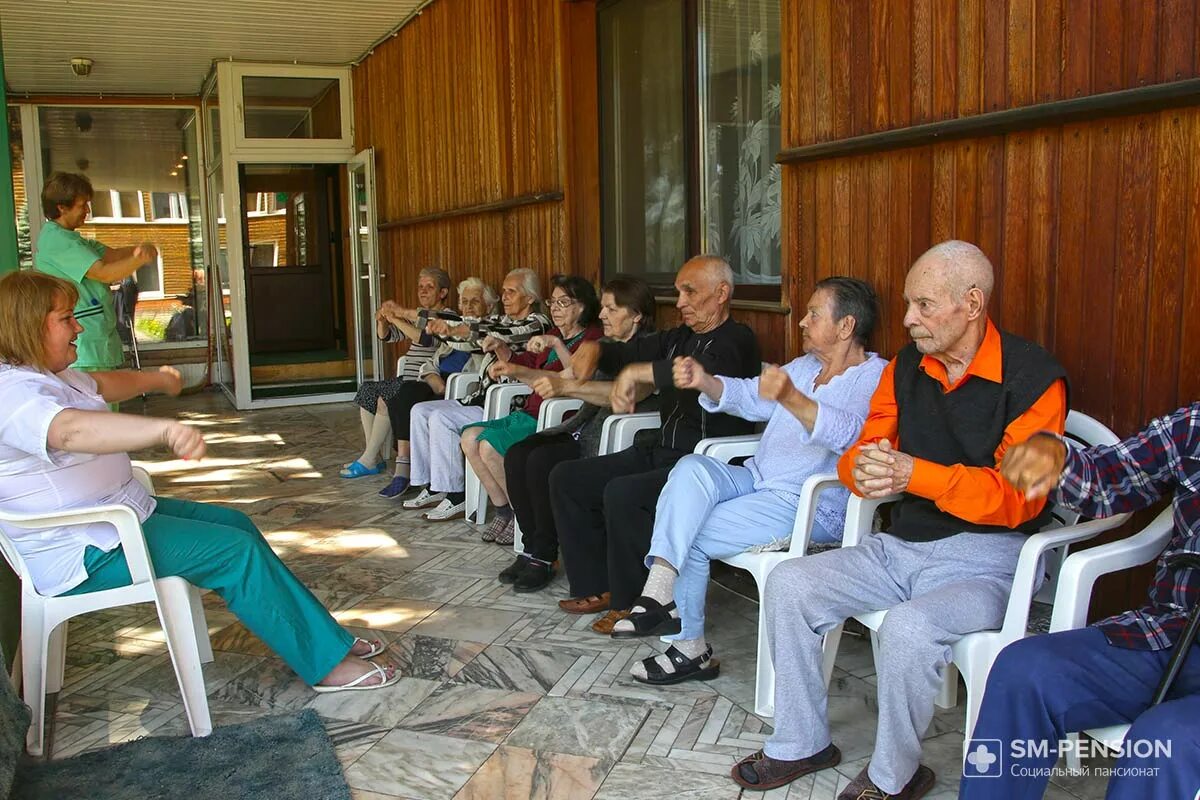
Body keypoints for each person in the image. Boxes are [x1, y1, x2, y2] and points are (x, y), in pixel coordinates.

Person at [729, 240, 1069, 799]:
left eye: (924, 305)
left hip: (989, 561)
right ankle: (801, 741)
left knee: (911, 628)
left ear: (973, 302)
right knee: (791, 584)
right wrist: (865, 468)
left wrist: (915, 476)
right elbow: (865, 445)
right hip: (902, 546)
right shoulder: (907, 367)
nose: (908, 319)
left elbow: (1021, 495)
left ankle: (895, 777)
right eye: (909, 304)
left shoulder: (1037, 380)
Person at [0, 271, 397, 693]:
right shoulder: (12, 392)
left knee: (237, 526)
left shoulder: (50, 376)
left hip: (116, 520)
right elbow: (68, 431)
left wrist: (157, 378)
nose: (79, 326)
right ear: (29, 325)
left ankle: (324, 640)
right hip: (88, 550)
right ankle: (325, 666)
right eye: (66, 319)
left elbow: (104, 382)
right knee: (235, 552)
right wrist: (164, 431)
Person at [612, 278, 887, 686]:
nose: (802, 323)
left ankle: (688, 647)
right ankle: (660, 590)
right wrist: (705, 380)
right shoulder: (806, 366)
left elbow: (851, 435)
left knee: (693, 531)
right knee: (691, 467)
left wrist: (792, 397)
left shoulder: (875, 377)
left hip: (806, 502)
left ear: (845, 326)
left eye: (814, 314)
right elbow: (750, 394)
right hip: (757, 479)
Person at [957, 406, 1200, 800]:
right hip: (1172, 632)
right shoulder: (1195, 426)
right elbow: (1113, 475)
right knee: (1025, 670)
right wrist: (1055, 458)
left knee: (1165, 741)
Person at [550, 255, 761, 634]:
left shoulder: (737, 339)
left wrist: (635, 373)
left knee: (623, 493)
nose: (679, 302)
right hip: (661, 447)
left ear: (721, 294)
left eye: (689, 292)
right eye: (678, 292)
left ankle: (636, 604)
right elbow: (629, 351)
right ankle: (598, 584)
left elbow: (693, 373)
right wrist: (596, 348)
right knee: (568, 477)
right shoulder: (678, 337)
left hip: (701, 463)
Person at [497, 275, 658, 592]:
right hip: (580, 429)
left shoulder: (650, 349)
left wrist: (569, 386)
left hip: (614, 439)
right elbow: (562, 376)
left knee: (541, 460)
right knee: (518, 453)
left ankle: (544, 556)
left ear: (636, 314)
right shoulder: (606, 346)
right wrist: (517, 370)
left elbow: (622, 394)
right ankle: (532, 547)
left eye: (611, 309)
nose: (602, 315)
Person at [460, 275, 603, 545]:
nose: (555, 308)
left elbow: (576, 377)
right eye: (553, 302)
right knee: (469, 439)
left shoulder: (592, 338)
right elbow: (525, 363)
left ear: (582, 307)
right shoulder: (555, 334)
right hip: (529, 411)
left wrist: (556, 345)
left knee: (489, 447)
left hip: (557, 417)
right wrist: (503, 350)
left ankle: (520, 514)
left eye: (564, 302)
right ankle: (503, 510)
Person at [402, 268, 550, 522]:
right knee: (421, 410)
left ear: (530, 297)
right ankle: (434, 485)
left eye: (511, 292)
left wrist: (456, 330)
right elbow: (470, 340)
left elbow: (498, 334)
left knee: (441, 418)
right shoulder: (503, 320)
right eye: (503, 291)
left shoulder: (537, 322)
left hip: (508, 403)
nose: (505, 297)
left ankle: (456, 494)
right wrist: (447, 332)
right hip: (482, 397)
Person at [376, 277, 496, 498]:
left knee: (407, 392)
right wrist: (432, 376)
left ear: (488, 306)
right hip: (435, 381)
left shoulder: (486, 329)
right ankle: (425, 482)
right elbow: (432, 359)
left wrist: (399, 313)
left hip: (460, 386)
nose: (468, 306)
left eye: (475, 302)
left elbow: (442, 335)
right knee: (399, 396)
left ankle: (411, 471)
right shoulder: (457, 323)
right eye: (465, 301)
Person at [33, 173, 159, 377]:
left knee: (107, 403)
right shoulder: (57, 241)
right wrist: (140, 259)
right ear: (61, 207)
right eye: (82, 205)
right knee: (98, 403)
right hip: (83, 345)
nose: (88, 211)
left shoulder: (74, 240)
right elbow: (104, 273)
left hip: (94, 339)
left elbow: (113, 255)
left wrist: (140, 248)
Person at [340, 267, 456, 479]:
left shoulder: (446, 317)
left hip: (422, 382)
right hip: (406, 378)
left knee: (387, 397)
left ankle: (368, 458)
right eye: (420, 287)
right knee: (367, 390)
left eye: (430, 287)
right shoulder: (417, 315)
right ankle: (372, 455)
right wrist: (382, 320)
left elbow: (424, 338)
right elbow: (386, 337)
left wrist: (396, 317)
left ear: (443, 293)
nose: (423, 291)